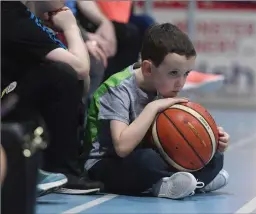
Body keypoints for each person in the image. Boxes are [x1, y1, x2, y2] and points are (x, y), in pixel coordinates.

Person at [83, 23, 230, 199]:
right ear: (148, 69)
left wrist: (211, 138)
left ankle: (189, 181)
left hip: (146, 151)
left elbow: (176, 131)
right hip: (106, 163)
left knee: (214, 158)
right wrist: (152, 107)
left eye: (186, 73)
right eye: (174, 73)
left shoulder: (165, 83)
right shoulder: (118, 89)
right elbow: (122, 147)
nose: (181, 82)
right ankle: (174, 185)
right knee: (148, 161)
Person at [1, 1, 102, 195]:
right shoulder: (10, 14)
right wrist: (71, 27)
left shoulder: (28, 17)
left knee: (64, 74)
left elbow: (83, 81)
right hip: (5, 105)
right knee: (60, 74)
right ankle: (61, 169)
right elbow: (80, 69)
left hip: (14, 102)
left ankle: (48, 163)